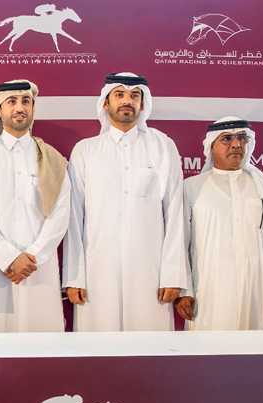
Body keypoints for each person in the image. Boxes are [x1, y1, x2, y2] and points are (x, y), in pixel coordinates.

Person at [63, 73, 188, 331]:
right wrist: (74, 276)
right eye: (119, 95)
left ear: (142, 104)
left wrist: (173, 274)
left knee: (149, 345)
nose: (127, 101)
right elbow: (74, 217)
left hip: (151, 272)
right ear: (106, 103)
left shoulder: (163, 147)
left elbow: (176, 213)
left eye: (134, 95)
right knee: (98, 344)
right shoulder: (85, 150)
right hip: (98, 270)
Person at [0, 80, 71, 332]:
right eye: (11, 102)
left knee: (40, 343)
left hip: (38, 268)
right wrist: (8, 257)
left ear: (33, 108)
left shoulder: (53, 159)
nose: (19, 108)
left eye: (26, 101)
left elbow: (60, 214)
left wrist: (32, 257)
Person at [175, 117, 263, 329]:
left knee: (253, 347)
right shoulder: (191, 187)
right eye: (227, 139)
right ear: (211, 146)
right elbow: (180, 243)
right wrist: (184, 291)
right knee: (207, 346)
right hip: (207, 293)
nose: (236, 144)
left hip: (255, 291)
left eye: (241, 138)